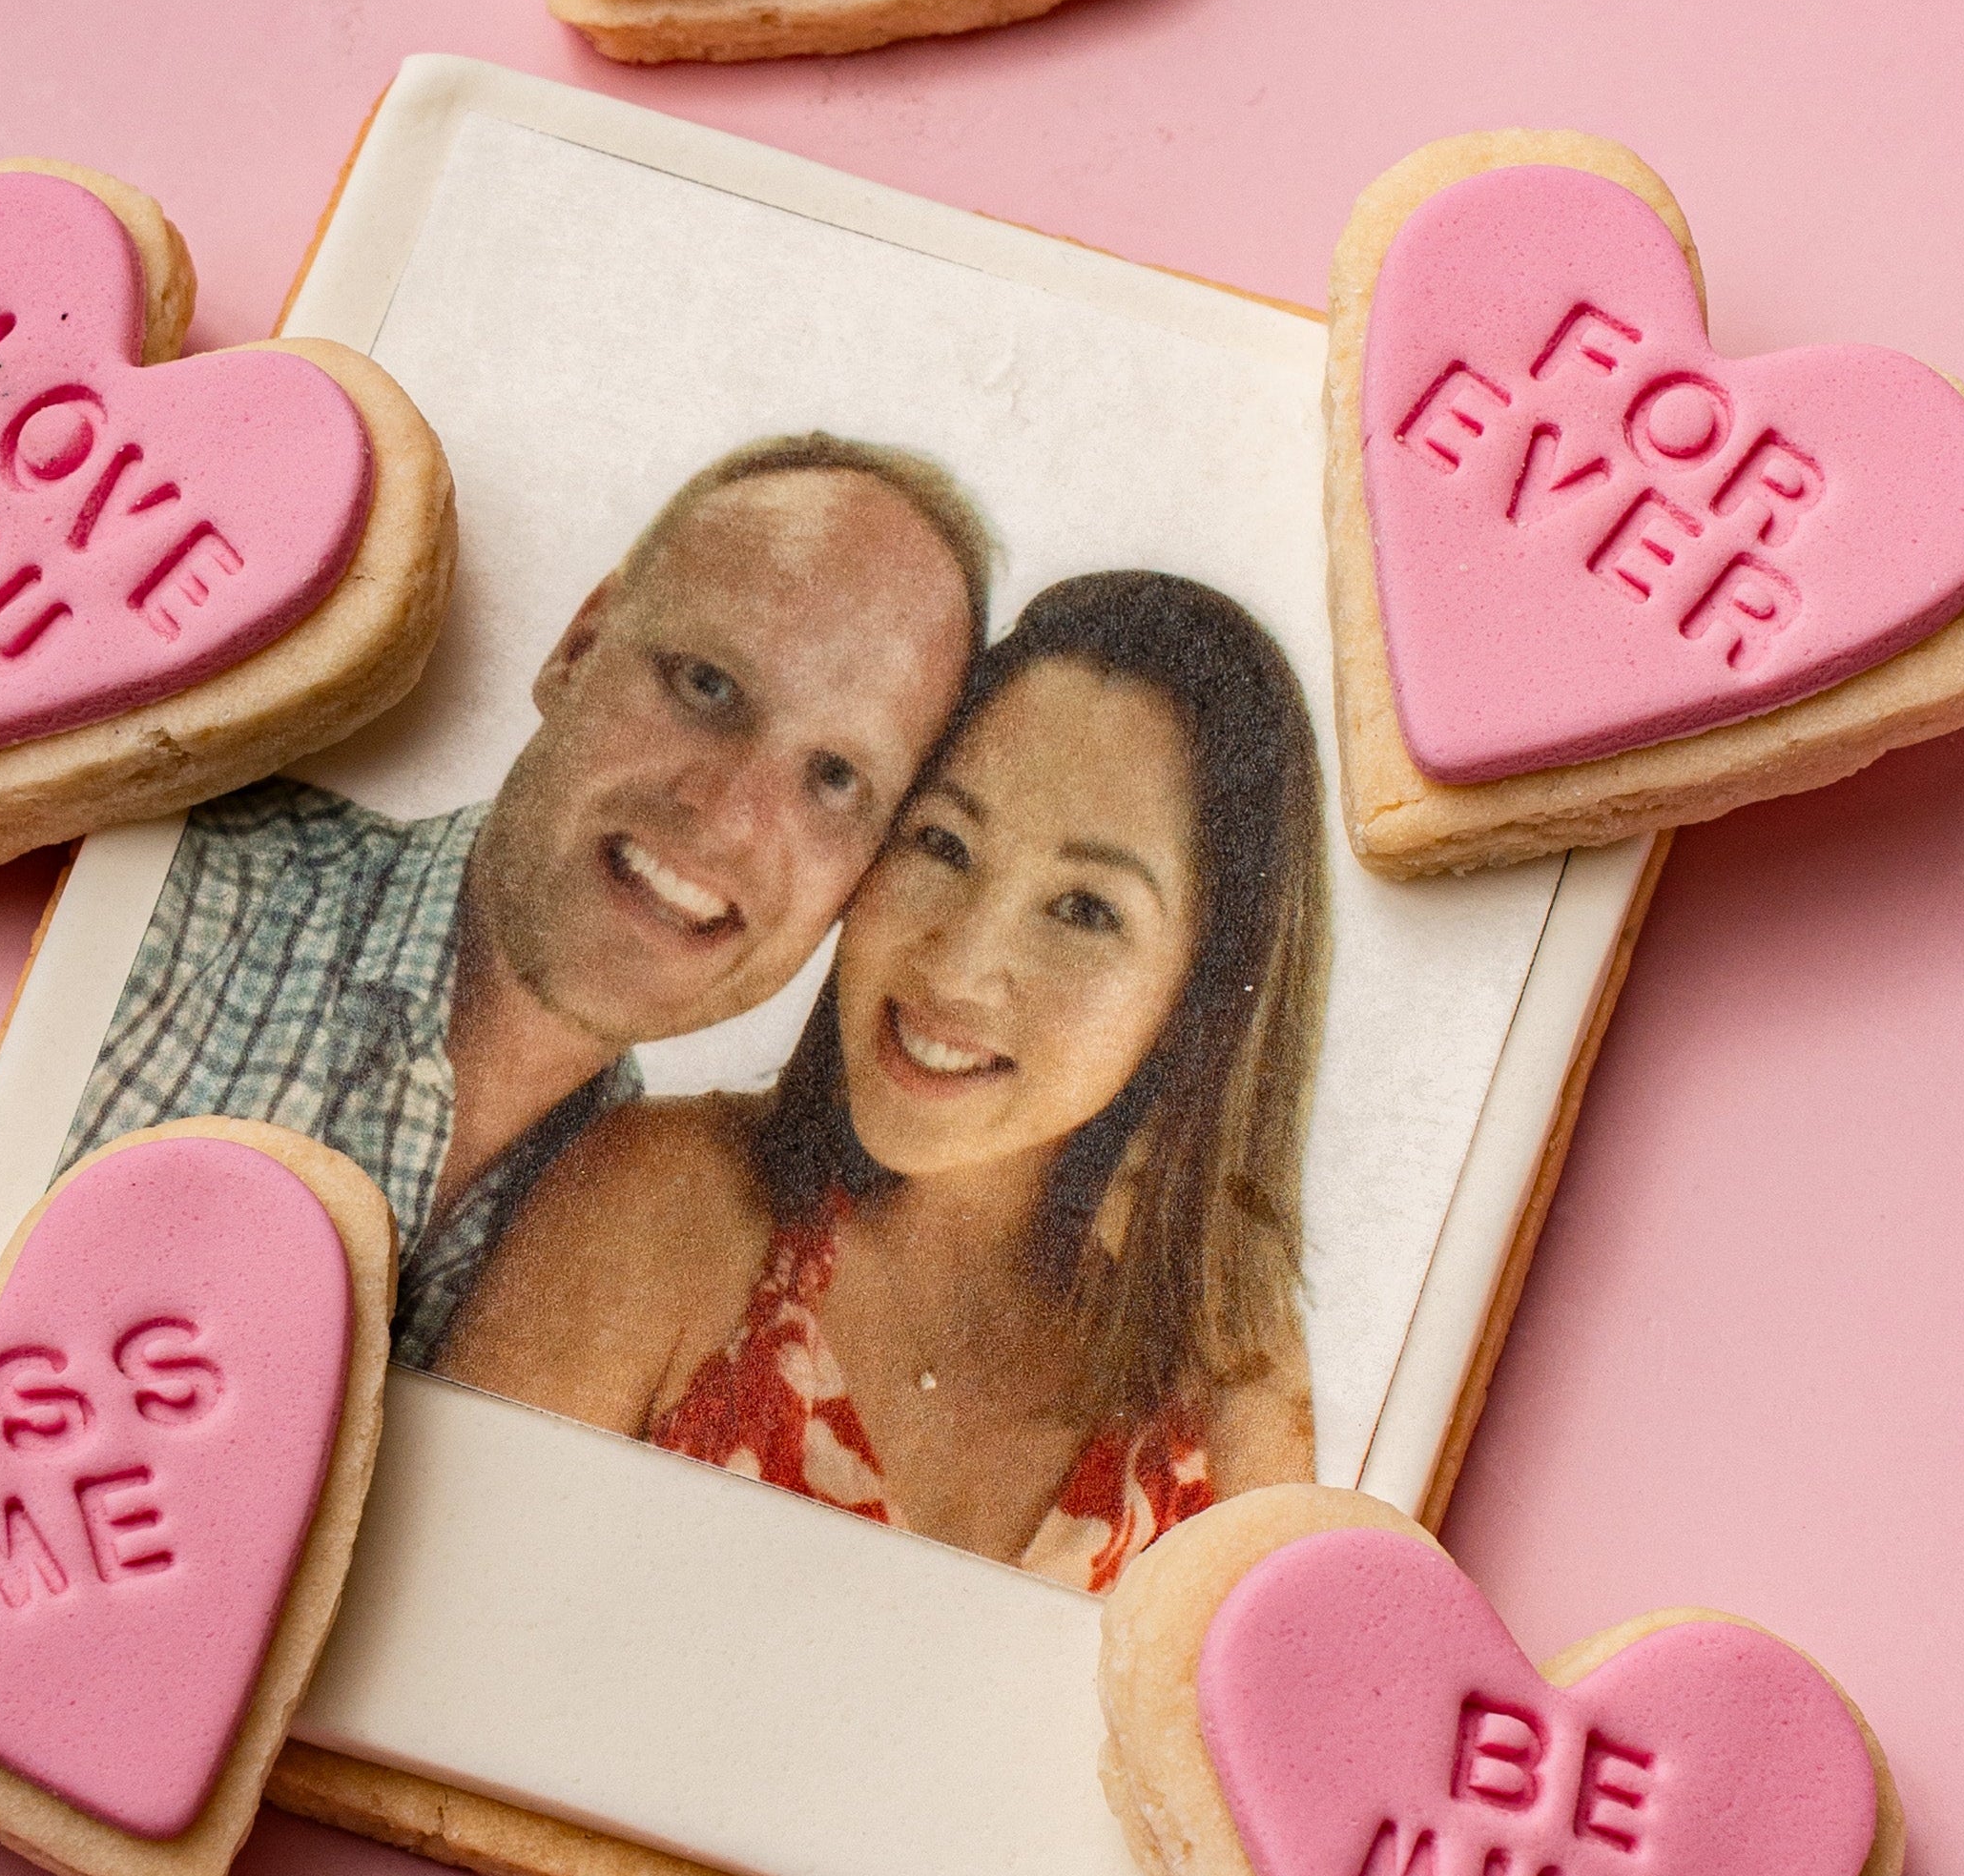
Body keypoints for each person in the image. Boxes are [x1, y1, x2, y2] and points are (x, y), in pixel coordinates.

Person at [439, 570, 1325, 1593]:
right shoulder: (662, 1205)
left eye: (1084, 910)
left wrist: (1252, 1401)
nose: (957, 965)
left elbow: (1274, 1748)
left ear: (1203, 998)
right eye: (943, 843)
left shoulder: (1221, 1375)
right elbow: (426, 1667)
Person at [62, 435, 992, 1358]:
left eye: (835, 778)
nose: (729, 818)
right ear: (579, 649)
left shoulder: (661, 1269)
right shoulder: (153, 899)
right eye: (707, 684)